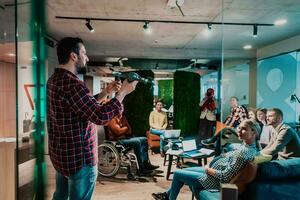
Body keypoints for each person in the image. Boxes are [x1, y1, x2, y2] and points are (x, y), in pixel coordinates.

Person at [47, 37, 138, 200]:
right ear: (73, 56)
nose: (87, 58)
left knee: (60, 197)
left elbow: (80, 108)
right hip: (80, 160)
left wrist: (105, 93)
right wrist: (122, 93)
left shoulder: (54, 80)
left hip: (61, 156)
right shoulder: (73, 84)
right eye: (84, 53)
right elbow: (100, 116)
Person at [152, 119, 261, 200]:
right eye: (240, 127)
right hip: (212, 173)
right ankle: (167, 195)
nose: (239, 130)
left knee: (177, 173)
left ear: (254, 133)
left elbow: (225, 176)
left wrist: (208, 169)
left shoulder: (243, 153)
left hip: (214, 180)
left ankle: (168, 198)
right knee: (184, 172)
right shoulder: (247, 147)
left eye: (244, 129)